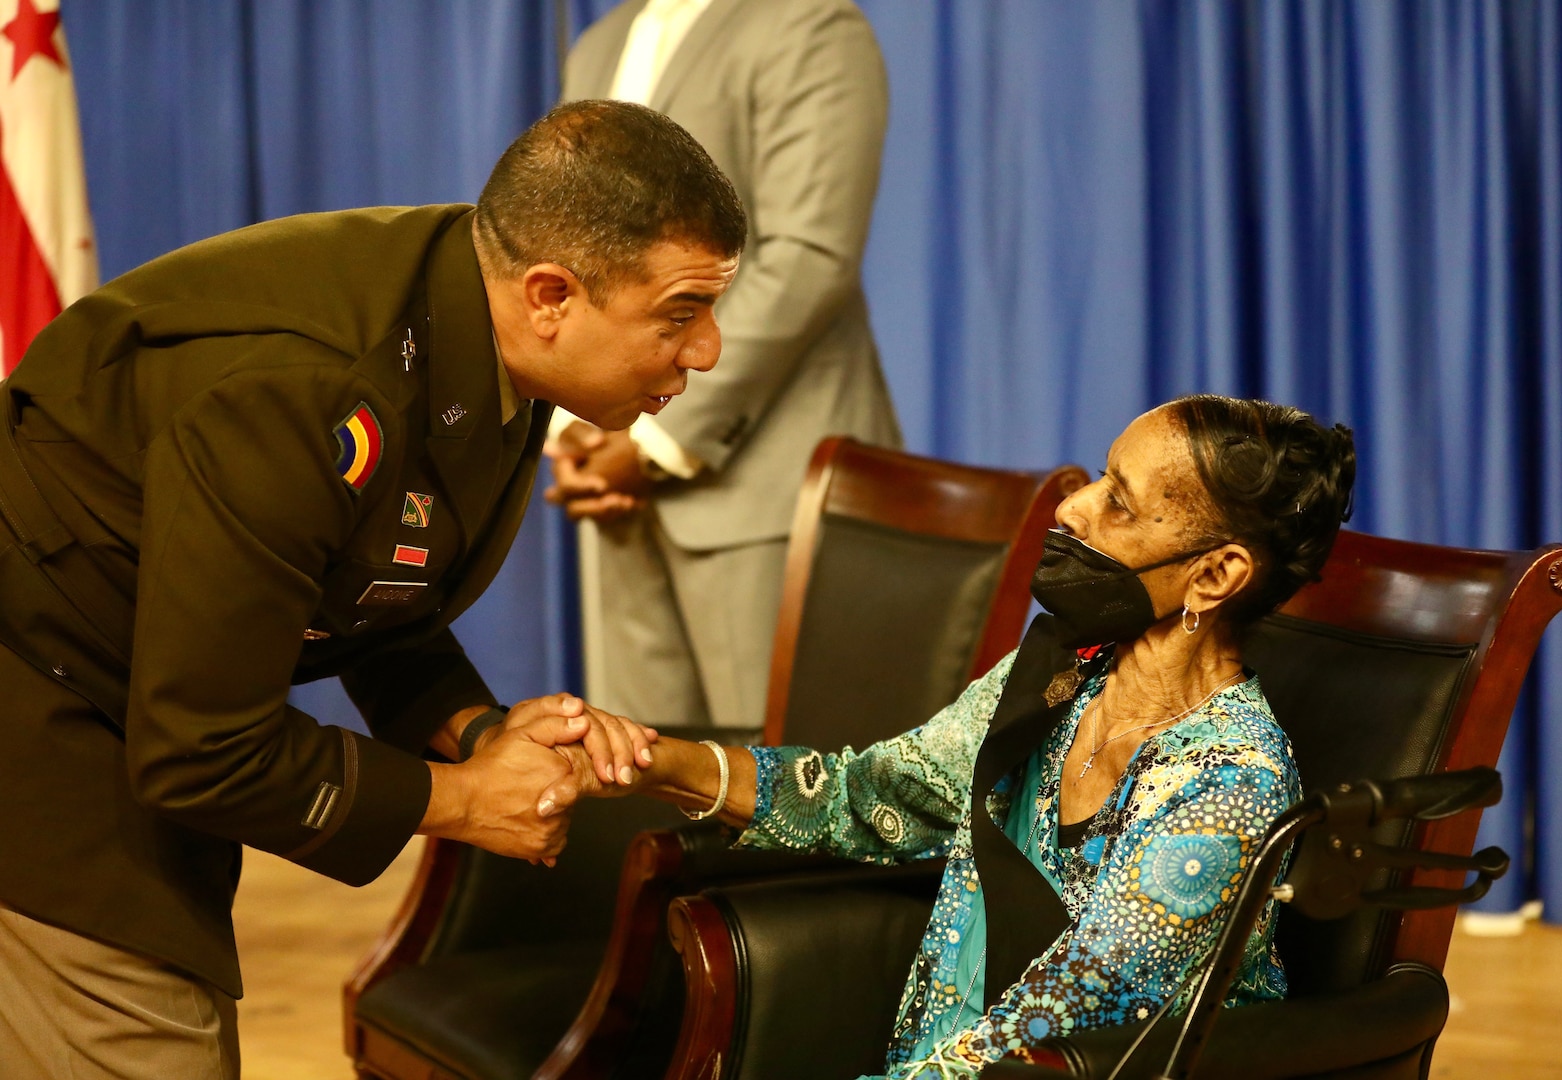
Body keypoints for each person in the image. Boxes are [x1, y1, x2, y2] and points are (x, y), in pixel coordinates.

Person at [0, 99, 743, 1078]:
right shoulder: (305, 391)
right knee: (151, 1048)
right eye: (680, 313)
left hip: (134, 699)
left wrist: (478, 730)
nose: (708, 351)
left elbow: (368, 589)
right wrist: (463, 798)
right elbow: (202, 751)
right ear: (552, 295)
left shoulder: (476, 316)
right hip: (41, 711)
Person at [541, 395, 1357, 1077]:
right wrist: (642, 759)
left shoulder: (1231, 783)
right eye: (1103, 474)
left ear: (1215, 576)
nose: (1074, 504)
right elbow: (874, 795)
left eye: (1118, 501)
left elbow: (1057, 1022)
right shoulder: (1059, 671)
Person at [544, 0, 902, 732]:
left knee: (780, 801)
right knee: (637, 785)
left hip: (766, 486)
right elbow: (577, 262)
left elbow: (808, 258)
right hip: (612, 493)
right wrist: (578, 425)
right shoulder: (598, 47)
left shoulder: (809, 24)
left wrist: (649, 442)